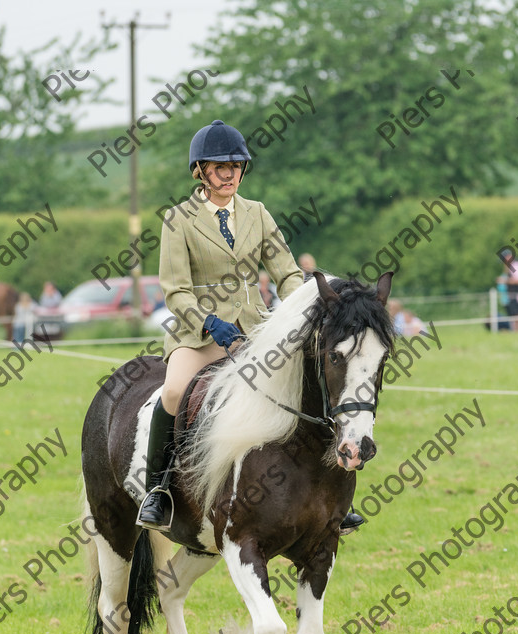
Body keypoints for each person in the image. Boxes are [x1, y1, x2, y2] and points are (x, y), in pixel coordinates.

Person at [137, 120, 364, 534]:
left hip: (256, 331)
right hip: (199, 334)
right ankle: (159, 489)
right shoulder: (178, 219)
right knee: (172, 392)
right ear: (200, 171)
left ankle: (330, 494)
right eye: (219, 166)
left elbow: (288, 275)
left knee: (309, 387)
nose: (229, 174)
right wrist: (209, 323)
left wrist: (308, 309)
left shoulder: (257, 213)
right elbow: (175, 291)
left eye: (235, 166)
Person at [500, 249, 518, 331]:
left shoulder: (516, 265)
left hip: (517, 295)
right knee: (513, 315)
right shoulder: (510, 266)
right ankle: (516, 331)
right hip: (511, 296)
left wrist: (505, 281)